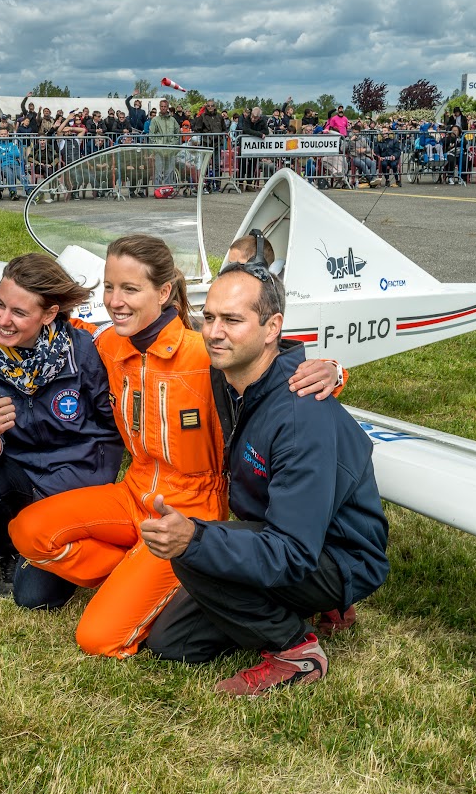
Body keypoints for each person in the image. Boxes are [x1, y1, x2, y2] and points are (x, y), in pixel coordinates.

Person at [8, 234, 343, 659]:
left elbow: (274, 368)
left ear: (164, 292)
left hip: (189, 511)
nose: (115, 301)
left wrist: (333, 370)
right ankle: (136, 571)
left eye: (130, 289)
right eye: (109, 287)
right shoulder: (109, 345)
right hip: (133, 494)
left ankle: (167, 576)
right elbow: (66, 329)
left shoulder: (207, 353)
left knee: (97, 638)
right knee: (27, 531)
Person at [142, 258, 389, 695]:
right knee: (173, 644)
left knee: (193, 549)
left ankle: (295, 651)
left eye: (232, 320)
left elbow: (293, 551)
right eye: (209, 317)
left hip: (335, 554)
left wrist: (196, 540)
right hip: (279, 531)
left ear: (272, 327)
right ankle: (304, 607)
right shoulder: (230, 374)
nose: (214, 332)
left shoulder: (298, 415)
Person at [0, 254, 124, 607]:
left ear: (48, 314)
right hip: (17, 476)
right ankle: (9, 550)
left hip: (75, 484)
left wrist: (66, 498)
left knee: (35, 598)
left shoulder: (83, 350)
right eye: (0, 304)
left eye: (18, 312)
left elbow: (111, 433)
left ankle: (71, 538)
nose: (3, 319)